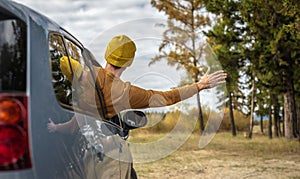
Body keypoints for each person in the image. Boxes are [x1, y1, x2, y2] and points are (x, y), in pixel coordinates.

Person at [47, 34, 227, 133]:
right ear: (128, 63)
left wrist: (78, 73)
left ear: (107, 54)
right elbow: (168, 98)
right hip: (97, 140)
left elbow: (63, 62)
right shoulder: (126, 93)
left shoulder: (84, 75)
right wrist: (200, 85)